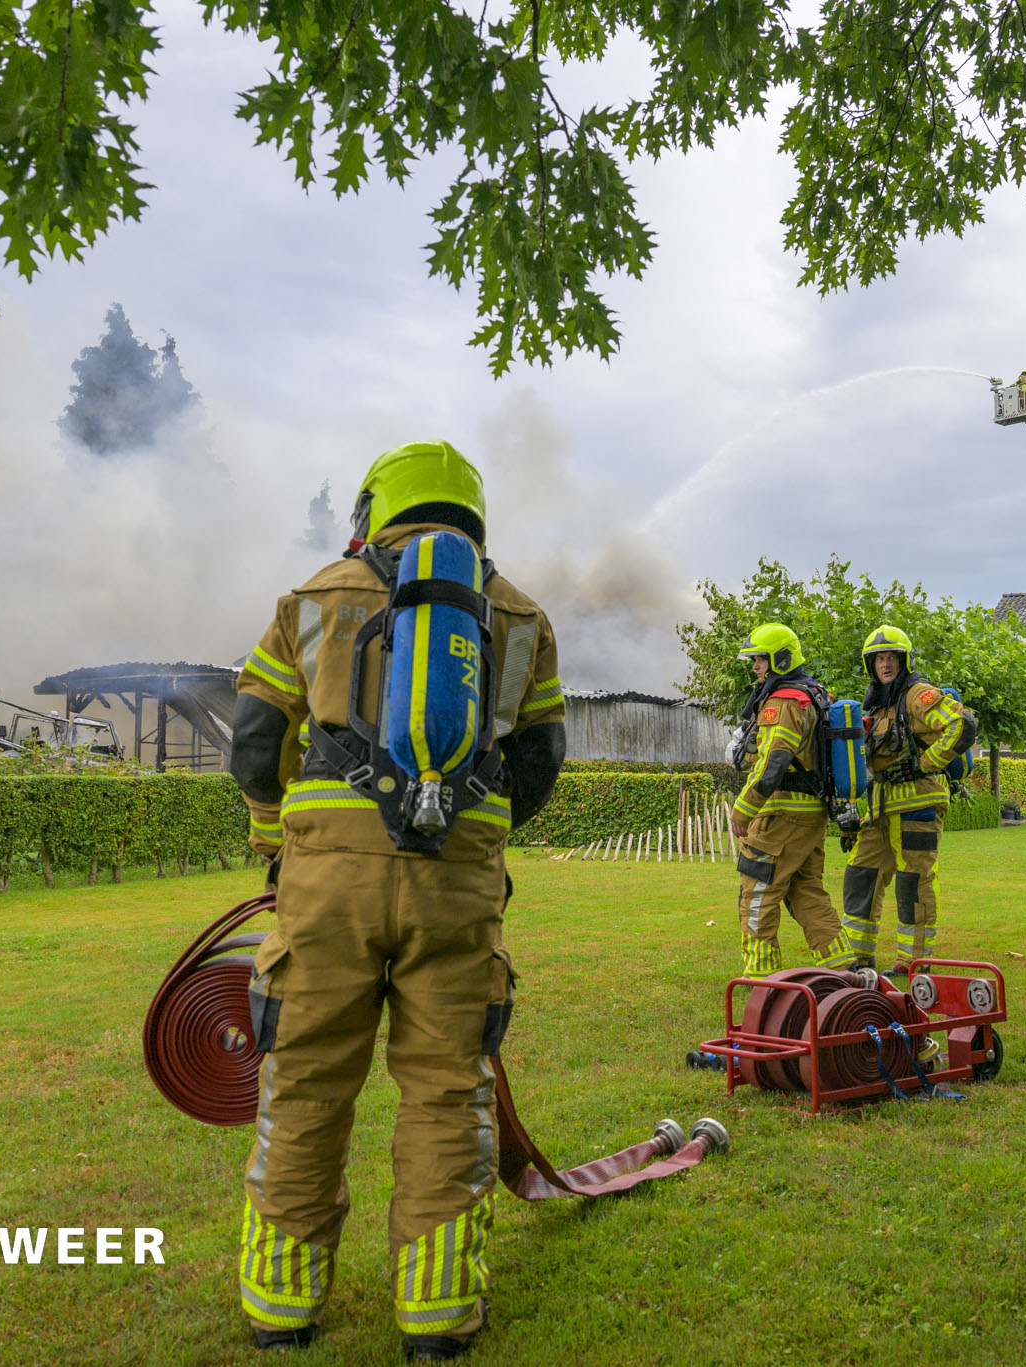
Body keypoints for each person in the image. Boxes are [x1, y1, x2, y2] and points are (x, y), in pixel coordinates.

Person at [228, 440, 567, 1357]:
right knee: (448, 1092)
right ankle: (436, 1315)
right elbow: (540, 761)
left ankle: (281, 1307)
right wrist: (475, 834)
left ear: (375, 507)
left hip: (325, 886)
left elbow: (254, 738)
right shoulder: (519, 614)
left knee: (303, 1086)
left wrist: (275, 834)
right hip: (455, 885)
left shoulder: (315, 595)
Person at [839, 625, 974, 974]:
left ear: (904, 660)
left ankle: (913, 962)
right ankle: (859, 959)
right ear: (872, 665)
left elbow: (961, 724)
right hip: (881, 807)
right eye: (879, 659)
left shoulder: (918, 694)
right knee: (860, 874)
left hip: (917, 804)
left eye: (891, 658)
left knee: (913, 882)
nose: (885, 664)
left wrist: (927, 763)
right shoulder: (878, 703)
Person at [727, 624, 855, 974]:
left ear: (780, 659)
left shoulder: (783, 701)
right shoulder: (812, 694)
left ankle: (761, 980)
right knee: (806, 891)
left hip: (781, 815)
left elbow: (773, 763)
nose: (755, 667)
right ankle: (843, 970)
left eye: (760, 660)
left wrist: (742, 810)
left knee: (757, 894)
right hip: (809, 814)